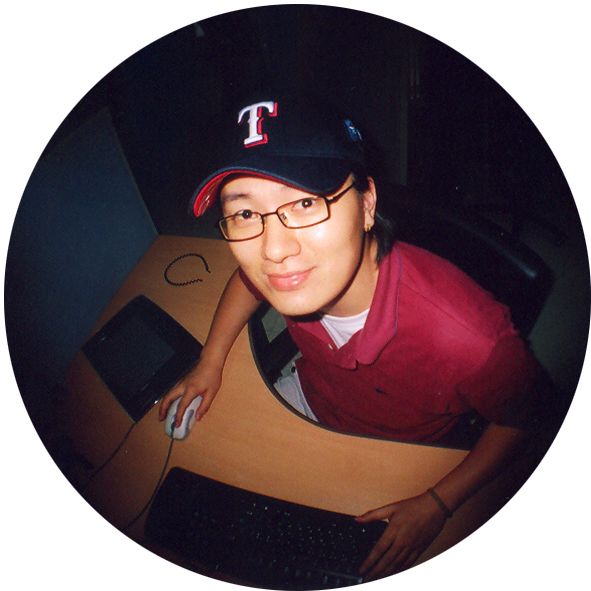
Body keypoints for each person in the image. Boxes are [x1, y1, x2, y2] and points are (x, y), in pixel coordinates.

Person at [158, 95, 542, 581]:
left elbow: (527, 421)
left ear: (366, 205)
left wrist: (438, 502)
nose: (273, 251)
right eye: (247, 214)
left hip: (397, 454)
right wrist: (210, 360)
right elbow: (247, 282)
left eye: (305, 202)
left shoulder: (472, 340)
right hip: (312, 400)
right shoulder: (292, 273)